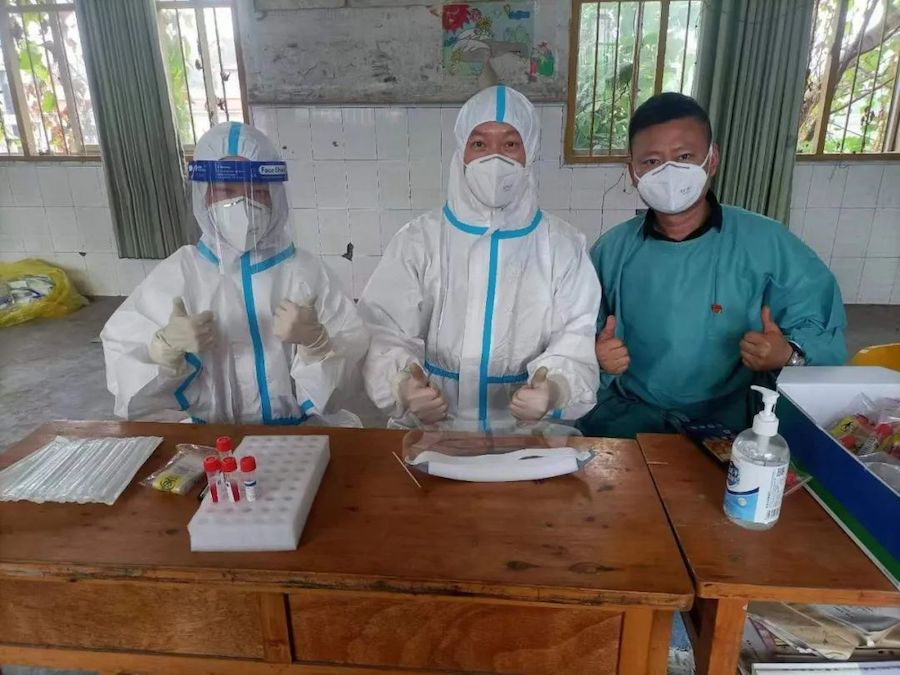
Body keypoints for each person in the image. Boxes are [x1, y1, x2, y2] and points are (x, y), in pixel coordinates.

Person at [578, 93, 847, 438]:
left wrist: (787, 354)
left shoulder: (766, 242)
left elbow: (821, 329)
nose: (669, 172)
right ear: (633, 171)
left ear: (712, 159)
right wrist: (597, 356)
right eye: (652, 161)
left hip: (735, 421)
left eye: (684, 157)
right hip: (632, 417)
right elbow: (577, 331)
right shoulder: (612, 250)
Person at [359, 85, 600, 430]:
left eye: (510, 144)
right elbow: (384, 328)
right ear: (462, 153)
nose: (495, 159)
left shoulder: (563, 245)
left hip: (530, 431)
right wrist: (402, 385)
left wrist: (556, 389)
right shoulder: (419, 239)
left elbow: (576, 335)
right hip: (434, 425)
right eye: (479, 144)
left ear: (530, 152)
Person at [101, 122, 369, 425]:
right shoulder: (178, 275)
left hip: (301, 435)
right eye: (225, 191)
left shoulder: (306, 273)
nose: (242, 206)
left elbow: (344, 385)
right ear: (204, 196)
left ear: (275, 196)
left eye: (258, 192)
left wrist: (317, 346)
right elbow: (131, 397)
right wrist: (164, 353)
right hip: (211, 440)